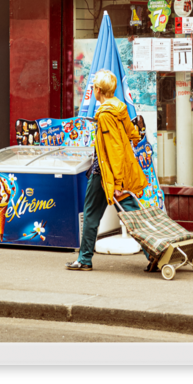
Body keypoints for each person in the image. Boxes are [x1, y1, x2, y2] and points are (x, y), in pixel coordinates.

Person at [67, 70, 150, 271]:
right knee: (134, 215)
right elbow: (134, 135)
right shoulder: (119, 108)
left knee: (91, 215)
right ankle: (155, 252)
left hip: (104, 174)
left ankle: (85, 259)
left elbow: (113, 151)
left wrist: (117, 183)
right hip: (117, 172)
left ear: (98, 90)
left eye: (94, 86)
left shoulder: (105, 115)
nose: (93, 89)